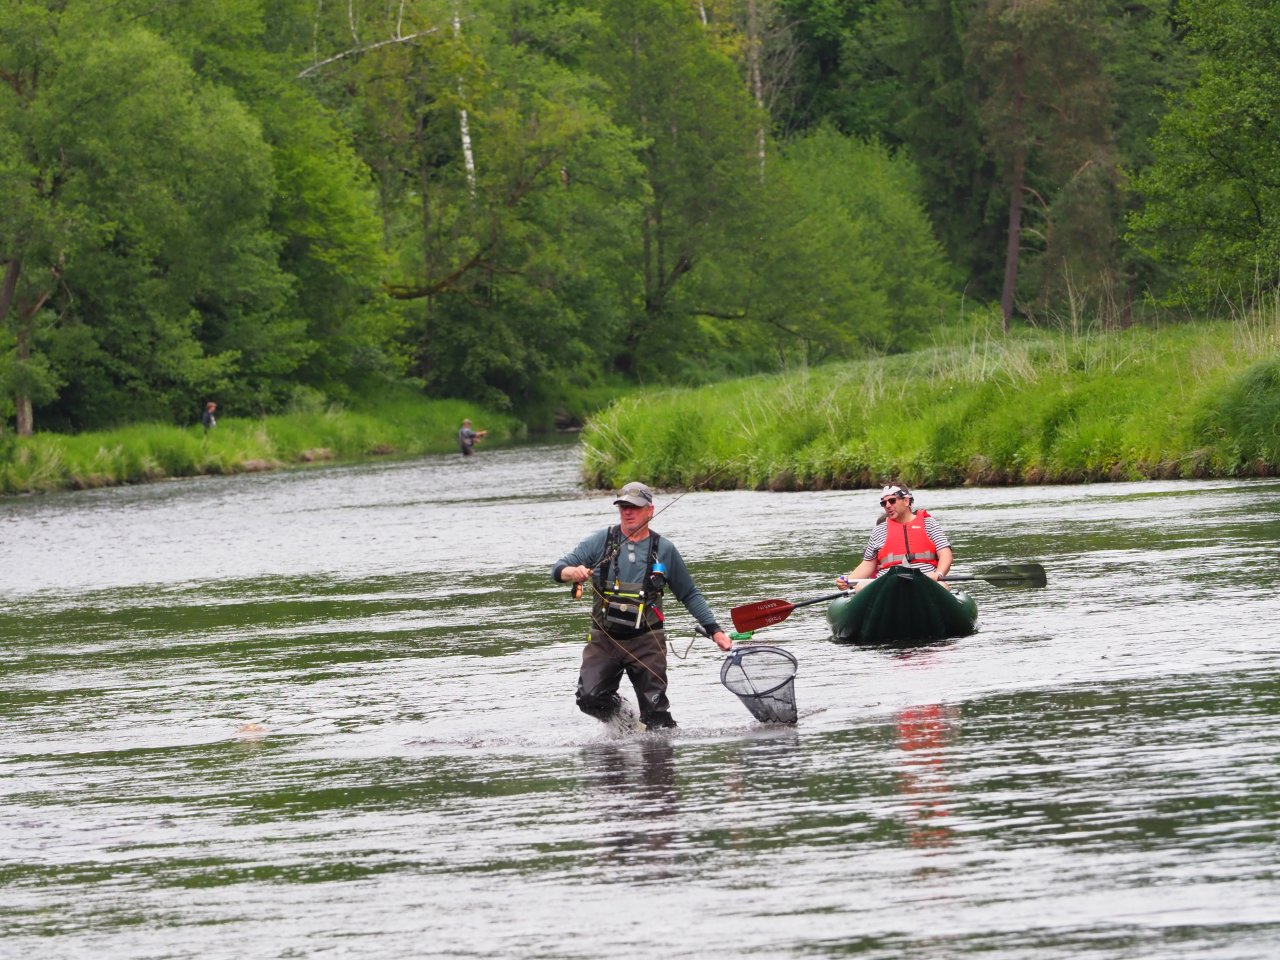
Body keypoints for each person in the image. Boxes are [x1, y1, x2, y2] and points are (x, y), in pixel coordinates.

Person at [552, 481, 733, 730]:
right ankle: (627, 721)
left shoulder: (665, 549)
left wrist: (715, 630)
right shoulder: (600, 541)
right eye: (623, 506)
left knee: (657, 719)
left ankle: (657, 749)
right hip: (604, 640)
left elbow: (689, 593)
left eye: (634, 507)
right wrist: (573, 572)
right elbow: (557, 569)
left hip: (647, 641)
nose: (628, 512)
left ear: (650, 510)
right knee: (589, 699)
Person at [835, 483, 953, 590]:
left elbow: (945, 553)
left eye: (892, 501)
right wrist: (848, 581)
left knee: (942, 586)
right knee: (860, 586)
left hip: (925, 580)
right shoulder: (879, 530)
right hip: (887, 584)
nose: (887, 505)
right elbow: (868, 564)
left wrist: (938, 574)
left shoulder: (929, 523)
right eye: (883, 503)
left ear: (906, 501)